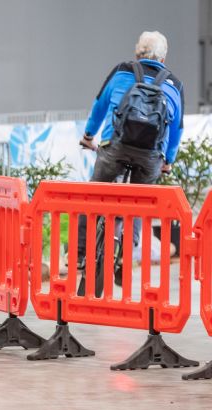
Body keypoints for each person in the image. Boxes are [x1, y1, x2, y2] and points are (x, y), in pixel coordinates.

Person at [77, 31, 184, 266]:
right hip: (150, 156)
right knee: (139, 201)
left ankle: (80, 252)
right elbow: (176, 130)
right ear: (163, 60)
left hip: (115, 146)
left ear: (137, 53)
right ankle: (127, 253)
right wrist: (168, 160)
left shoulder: (122, 70)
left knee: (93, 195)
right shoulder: (175, 85)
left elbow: (99, 106)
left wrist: (88, 136)